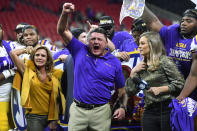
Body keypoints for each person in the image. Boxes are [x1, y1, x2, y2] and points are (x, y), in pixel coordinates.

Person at [57, 3, 127, 131]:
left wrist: (123, 107)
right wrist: (65, 13)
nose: (96, 41)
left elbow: (122, 90)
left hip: (101, 112)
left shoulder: (114, 62)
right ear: (88, 41)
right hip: (78, 110)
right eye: (92, 39)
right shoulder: (79, 50)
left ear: (106, 43)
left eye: (100, 39)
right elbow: (62, 31)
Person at [125, 32, 185, 131]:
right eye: (139, 43)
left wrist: (161, 89)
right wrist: (133, 72)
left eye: (142, 43)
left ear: (152, 44)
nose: (139, 46)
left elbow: (180, 83)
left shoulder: (165, 61)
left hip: (167, 109)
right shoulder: (140, 66)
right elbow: (130, 91)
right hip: (149, 110)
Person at [10, 46, 65, 130]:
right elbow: (12, 53)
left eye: (43, 56)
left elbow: (57, 99)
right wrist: (25, 50)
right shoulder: (27, 71)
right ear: (33, 57)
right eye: (37, 55)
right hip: (34, 117)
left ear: (47, 59)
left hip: (51, 117)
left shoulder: (55, 75)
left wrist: (54, 119)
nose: (39, 57)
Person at [141, 6, 197, 80]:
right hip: (170, 87)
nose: (183, 23)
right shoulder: (172, 32)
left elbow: (194, 76)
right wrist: (139, 3)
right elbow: (153, 22)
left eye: (189, 21)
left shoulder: (195, 42)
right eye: (182, 20)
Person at [0, 24, 15, 130]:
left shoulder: (5, 44)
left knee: (13, 124)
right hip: (1, 96)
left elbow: (13, 54)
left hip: (11, 94)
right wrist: (9, 73)